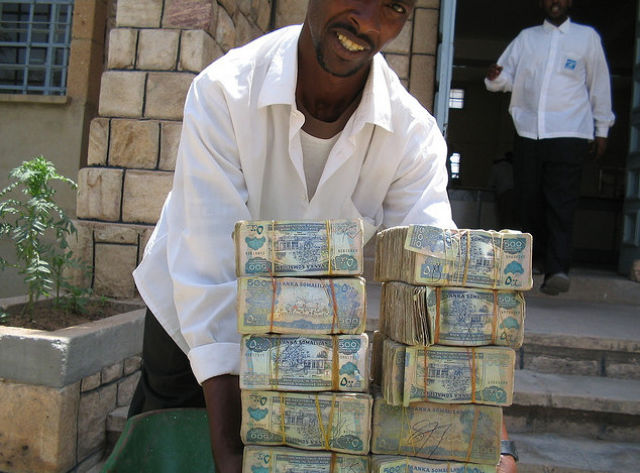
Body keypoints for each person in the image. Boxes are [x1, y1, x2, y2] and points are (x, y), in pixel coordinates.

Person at [130, 1, 517, 472]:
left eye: (394, 7)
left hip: (308, 343)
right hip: (192, 325)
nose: (369, 22)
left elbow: (434, 286)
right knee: (167, 452)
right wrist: (233, 454)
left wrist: (496, 443)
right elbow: (209, 268)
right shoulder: (224, 92)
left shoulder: (412, 137)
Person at [485, 0, 615, 295]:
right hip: (529, 132)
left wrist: (602, 129)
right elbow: (504, 78)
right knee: (528, 199)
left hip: (570, 132)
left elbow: (600, 85)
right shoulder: (527, 38)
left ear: (569, 2)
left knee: (561, 202)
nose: (555, 2)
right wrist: (495, 77)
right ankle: (534, 262)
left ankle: (558, 270)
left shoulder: (587, 38)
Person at [488, 151, 516, 230]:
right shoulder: (511, 166)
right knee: (510, 217)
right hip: (514, 193)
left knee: (503, 217)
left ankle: (503, 234)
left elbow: (491, 183)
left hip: (503, 194)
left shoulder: (496, 167)